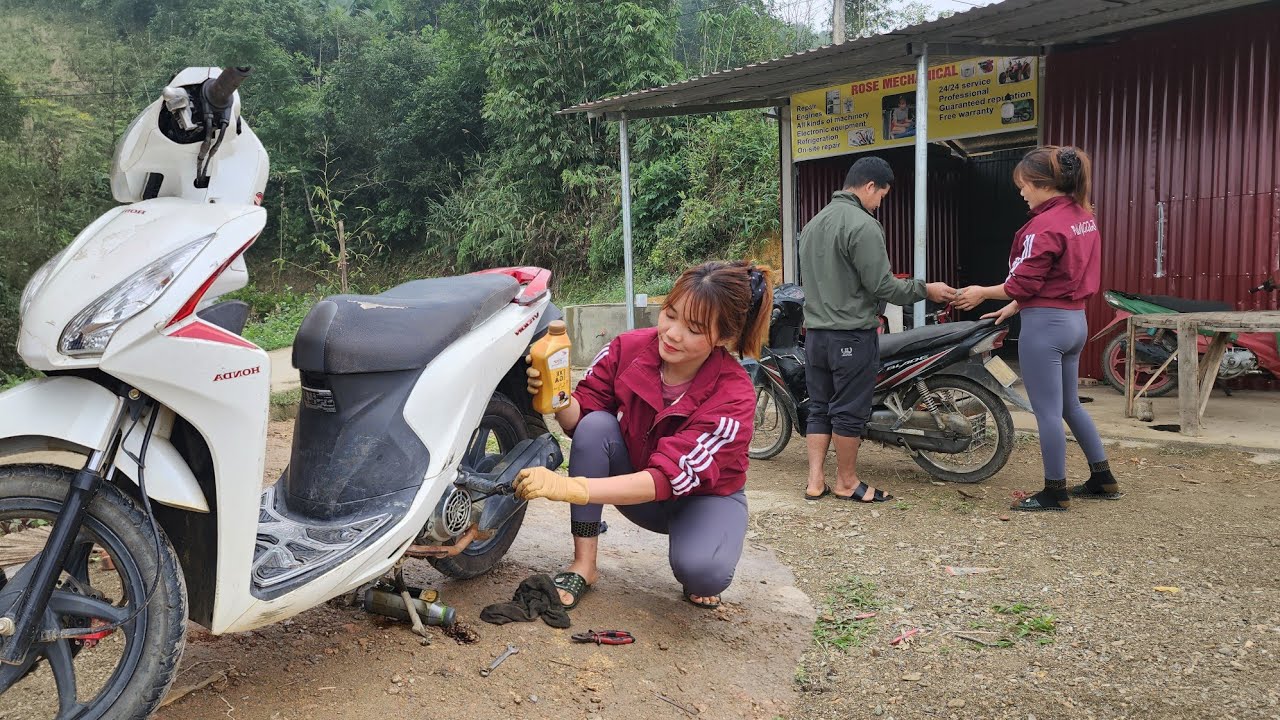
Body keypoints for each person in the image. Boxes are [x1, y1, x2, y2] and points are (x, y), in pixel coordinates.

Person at [515, 260, 771, 610]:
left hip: (701, 499)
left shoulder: (733, 396)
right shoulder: (626, 349)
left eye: (694, 328)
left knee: (702, 571)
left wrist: (569, 488)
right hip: (639, 489)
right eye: (670, 313)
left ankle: (702, 549)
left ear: (724, 338)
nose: (673, 333)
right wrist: (557, 397)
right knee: (596, 426)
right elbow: (581, 421)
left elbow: (668, 477)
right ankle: (584, 564)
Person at [952, 145, 1119, 511]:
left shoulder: (1041, 226)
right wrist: (1014, 306)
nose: (1022, 192)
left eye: (1024, 184)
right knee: (1070, 405)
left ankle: (1054, 491)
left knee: (1045, 410)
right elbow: (1052, 276)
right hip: (1075, 321)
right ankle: (1102, 477)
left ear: (1044, 184)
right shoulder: (1083, 215)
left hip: (1045, 327)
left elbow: (1021, 283)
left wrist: (984, 293)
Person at [798, 156, 955, 504]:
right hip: (851, 335)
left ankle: (814, 481)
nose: (879, 203)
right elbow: (883, 286)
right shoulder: (862, 224)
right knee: (849, 411)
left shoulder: (812, 224)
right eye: (881, 196)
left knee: (820, 406)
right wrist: (924, 289)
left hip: (816, 336)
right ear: (870, 186)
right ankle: (846, 481)